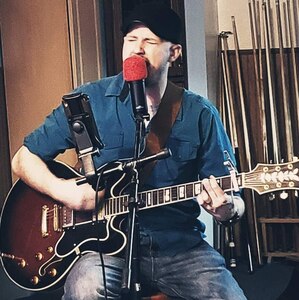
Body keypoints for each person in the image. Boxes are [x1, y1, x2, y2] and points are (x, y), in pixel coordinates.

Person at [11, 2, 246, 299]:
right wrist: (65, 193)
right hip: (103, 252)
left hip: (180, 248)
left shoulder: (200, 114)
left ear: (173, 52)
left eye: (149, 41)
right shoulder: (90, 101)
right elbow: (23, 159)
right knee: (84, 287)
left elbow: (234, 200)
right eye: (130, 40)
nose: (137, 49)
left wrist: (226, 210)